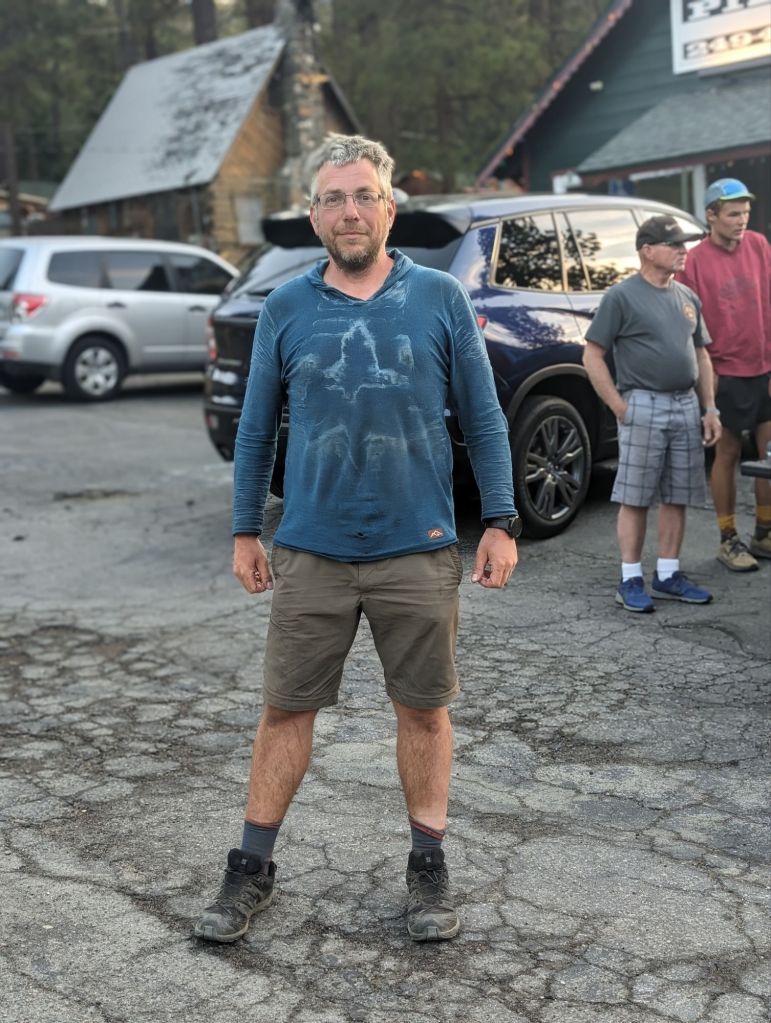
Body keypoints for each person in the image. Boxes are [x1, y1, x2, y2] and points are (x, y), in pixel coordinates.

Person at [193, 134, 519, 945]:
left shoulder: (439, 297)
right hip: (312, 548)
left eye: (363, 195)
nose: (349, 211)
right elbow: (256, 429)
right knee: (284, 709)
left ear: (388, 208)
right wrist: (244, 530)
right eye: (333, 198)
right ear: (313, 215)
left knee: (424, 712)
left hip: (419, 544)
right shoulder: (285, 307)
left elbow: (483, 416)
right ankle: (251, 865)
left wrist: (501, 520)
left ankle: (427, 866)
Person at [582, 214, 721, 612]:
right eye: (673, 244)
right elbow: (592, 355)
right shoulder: (621, 297)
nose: (683, 251)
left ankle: (667, 574)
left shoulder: (686, 296)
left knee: (678, 493)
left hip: (685, 405)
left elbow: (701, 354)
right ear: (646, 250)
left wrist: (709, 408)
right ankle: (630, 579)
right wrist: (619, 405)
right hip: (642, 404)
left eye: (684, 244)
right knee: (636, 495)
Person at [676, 178, 771, 572]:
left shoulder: (759, 245)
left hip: (764, 368)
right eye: (733, 214)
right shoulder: (694, 261)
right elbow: (686, 325)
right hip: (723, 373)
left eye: (745, 213)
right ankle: (728, 539)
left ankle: (764, 532)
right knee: (727, 455)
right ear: (711, 215)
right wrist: (705, 383)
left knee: (768, 455)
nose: (741, 220)